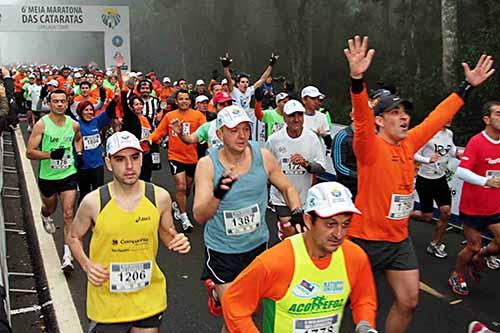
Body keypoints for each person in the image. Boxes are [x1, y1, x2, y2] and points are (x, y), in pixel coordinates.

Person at [343, 35, 494, 333]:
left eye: (405, 113)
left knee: (409, 301)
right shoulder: (369, 145)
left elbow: (438, 117)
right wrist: (357, 80)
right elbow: (361, 118)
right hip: (364, 241)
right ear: (379, 121)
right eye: (395, 113)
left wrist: (467, 87)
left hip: (399, 241)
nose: (403, 118)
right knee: (345, 302)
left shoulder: (409, 143)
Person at [192, 105, 302, 332]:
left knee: (252, 310)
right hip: (223, 250)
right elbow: (200, 215)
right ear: (220, 134)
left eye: (245, 129)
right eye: (233, 130)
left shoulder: (263, 156)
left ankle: (218, 295)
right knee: (237, 316)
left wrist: (297, 211)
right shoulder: (207, 165)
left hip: (257, 246)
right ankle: (220, 293)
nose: (242, 136)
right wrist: (220, 192)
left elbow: (288, 187)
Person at [68, 131, 191, 333]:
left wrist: (178, 240)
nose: (129, 166)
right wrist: (86, 264)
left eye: (135, 157)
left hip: (148, 295)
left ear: (142, 159)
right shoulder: (93, 202)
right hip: (107, 300)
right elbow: (74, 237)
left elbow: (168, 233)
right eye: (120, 159)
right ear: (108, 163)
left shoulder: (159, 197)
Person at [222, 182, 377, 333]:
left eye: (345, 224)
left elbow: (364, 300)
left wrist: (365, 324)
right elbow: (234, 304)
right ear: (308, 221)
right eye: (330, 224)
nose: (339, 234)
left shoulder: (355, 257)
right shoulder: (275, 262)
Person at [26, 89, 83, 272]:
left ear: (67, 103)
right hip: (48, 176)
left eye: (62, 101)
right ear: (49, 104)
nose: (59, 104)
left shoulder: (73, 124)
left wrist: (79, 153)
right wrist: (50, 154)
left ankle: (67, 256)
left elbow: (78, 139)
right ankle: (45, 215)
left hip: (68, 173)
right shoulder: (42, 125)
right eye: (55, 101)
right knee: (51, 207)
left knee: (68, 213)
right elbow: (30, 152)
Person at [448, 101, 500, 296]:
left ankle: (481, 256)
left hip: (495, 206)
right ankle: (457, 274)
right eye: (498, 114)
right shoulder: (477, 142)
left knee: (492, 245)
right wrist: (486, 181)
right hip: (473, 208)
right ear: (487, 119)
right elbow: (461, 171)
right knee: (473, 246)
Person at [266, 99, 326, 239]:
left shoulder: (311, 138)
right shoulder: (274, 139)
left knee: (303, 236)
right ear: (285, 117)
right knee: (289, 233)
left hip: (304, 198)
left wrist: (306, 164)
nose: (296, 119)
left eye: (300, 115)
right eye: (292, 116)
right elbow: (267, 166)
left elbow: (321, 167)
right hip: (281, 198)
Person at [148, 89, 206, 232]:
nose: (184, 101)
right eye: (181, 99)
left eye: (186, 99)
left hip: (192, 157)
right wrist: (150, 139)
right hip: (175, 156)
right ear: (176, 101)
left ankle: (177, 205)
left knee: (187, 187)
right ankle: (184, 217)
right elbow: (159, 132)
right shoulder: (170, 116)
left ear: (190, 101)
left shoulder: (198, 116)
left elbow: (205, 132)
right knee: (180, 186)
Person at [411, 122, 462, 258]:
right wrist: (428, 160)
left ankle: (435, 244)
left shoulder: (449, 133)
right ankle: (407, 215)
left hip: (440, 179)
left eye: (452, 117)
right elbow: (413, 153)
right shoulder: (428, 133)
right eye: (448, 115)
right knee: (426, 216)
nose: (450, 119)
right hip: (425, 179)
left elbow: (450, 148)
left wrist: (457, 153)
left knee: (446, 212)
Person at [221, 52, 278, 141]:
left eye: (247, 82)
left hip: (246, 121)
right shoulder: (234, 91)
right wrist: (225, 67)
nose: (245, 84)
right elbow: (228, 78)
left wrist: (271, 65)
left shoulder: (249, 90)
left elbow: (262, 79)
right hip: (235, 120)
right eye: (243, 82)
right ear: (237, 84)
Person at [76, 90, 118, 203]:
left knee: (98, 192)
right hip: (82, 166)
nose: (89, 112)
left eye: (91, 110)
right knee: (84, 193)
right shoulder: (75, 125)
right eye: (86, 110)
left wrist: (114, 100)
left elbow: (108, 112)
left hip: (97, 164)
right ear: (80, 112)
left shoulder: (96, 122)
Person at [332, 110, 358, 197]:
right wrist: (358, 176)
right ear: (352, 116)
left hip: (366, 187)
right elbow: (339, 166)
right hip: (346, 188)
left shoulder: (374, 136)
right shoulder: (342, 136)